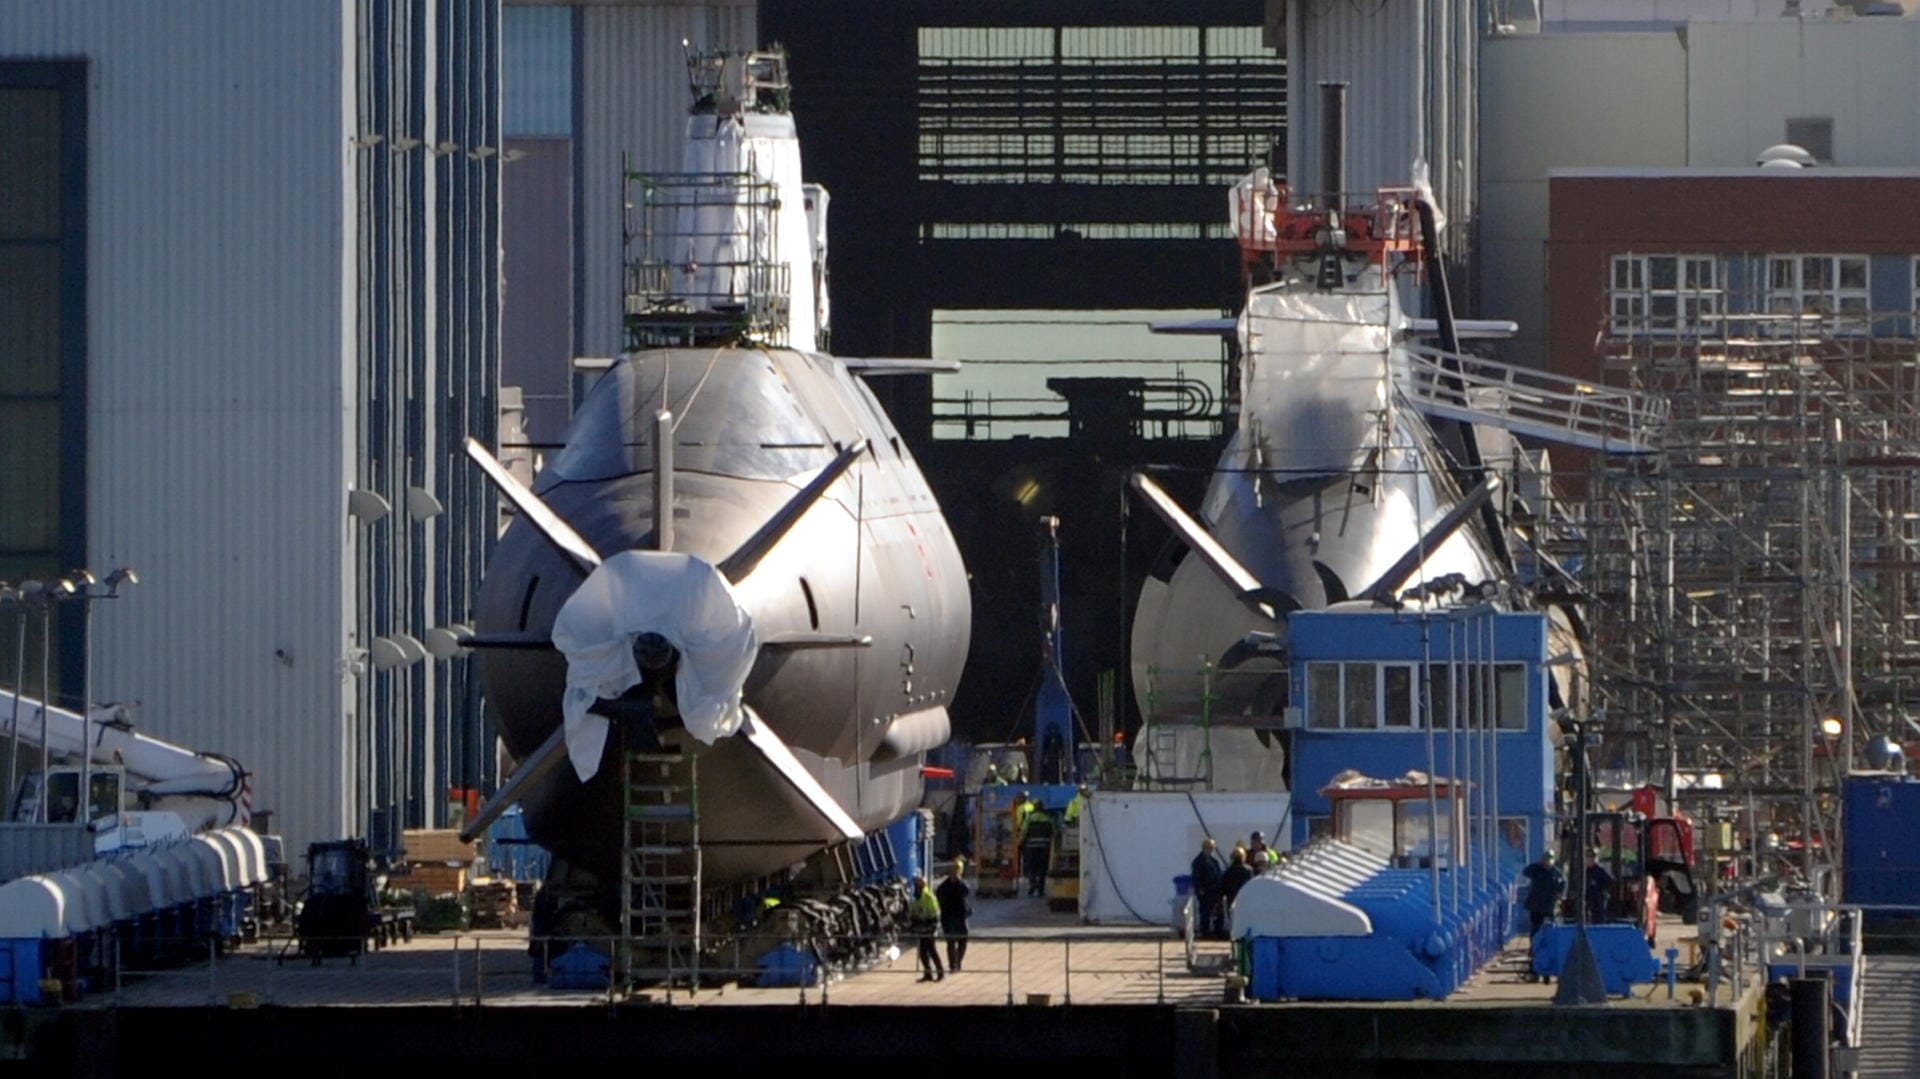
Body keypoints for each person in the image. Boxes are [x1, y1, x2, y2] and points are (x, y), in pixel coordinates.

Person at [935, 858, 974, 972]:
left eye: (956, 872)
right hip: (949, 917)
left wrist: (959, 881)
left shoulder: (961, 884)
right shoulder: (944, 886)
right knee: (951, 942)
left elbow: (967, 891)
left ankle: (957, 961)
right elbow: (939, 896)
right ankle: (953, 965)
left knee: (963, 941)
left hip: (961, 916)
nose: (954, 874)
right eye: (953, 872)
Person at [1522, 850, 1566, 938]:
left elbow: (1562, 885)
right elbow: (1526, 872)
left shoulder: (1556, 873)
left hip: (1549, 905)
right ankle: (1534, 947)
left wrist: (1559, 896)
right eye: (1545, 859)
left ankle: (1549, 945)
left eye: (1549, 859)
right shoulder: (1537, 869)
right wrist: (1537, 865)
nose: (1547, 862)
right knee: (1536, 927)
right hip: (1536, 905)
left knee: (1551, 926)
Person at [909, 874, 944, 982]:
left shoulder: (929, 897)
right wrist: (913, 925)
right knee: (923, 953)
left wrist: (933, 926)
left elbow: (936, 913)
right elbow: (913, 913)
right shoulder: (915, 898)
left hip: (929, 929)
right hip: (921, 929)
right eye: (916, 884)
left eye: (918, 884)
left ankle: (940, 972)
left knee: (932, 950)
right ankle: (928, 973)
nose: (916, 887)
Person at [1190, 838, 1228, 939]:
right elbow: (1196, 877)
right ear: (1203, 848)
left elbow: (1218, 875)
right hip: (1205, 892)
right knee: (1205, 913)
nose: (1210, 850)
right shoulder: (1198, 862)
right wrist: (1200, 889)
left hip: (1215, 892)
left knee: (1218, 913)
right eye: (1208, 848)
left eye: (1211, 848)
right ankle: (1205, 932)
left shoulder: (1214, 861)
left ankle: (1218, 931)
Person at [1020, 804, 1055, 897]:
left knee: (1032, 867)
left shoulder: (1029, 818)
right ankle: (1041, 889)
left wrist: (1020, 842)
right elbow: (1053, 832)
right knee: (1042, 868)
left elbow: (1024, 831)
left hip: (1031, 846)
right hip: (1044, 847)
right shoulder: (1048, 819)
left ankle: (1032, 885)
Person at [1220, 848, 1253, 932]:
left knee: (1234, 921)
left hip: (1231, 899)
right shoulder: (1248, 870)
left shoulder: (1228, 871)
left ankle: (1234, 937)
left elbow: (1223, 886)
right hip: (1246, 899)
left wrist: (1221, 896)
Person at [1584, 849, 1615, 924]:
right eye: (1588, 857)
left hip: (1599, 900)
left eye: (1592, 857)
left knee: (1599, 919)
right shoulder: (1586, 871)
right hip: (1590, 900)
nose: (1590, 859)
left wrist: (1602, 889)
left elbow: (1611, 881)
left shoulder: (1600, 870)